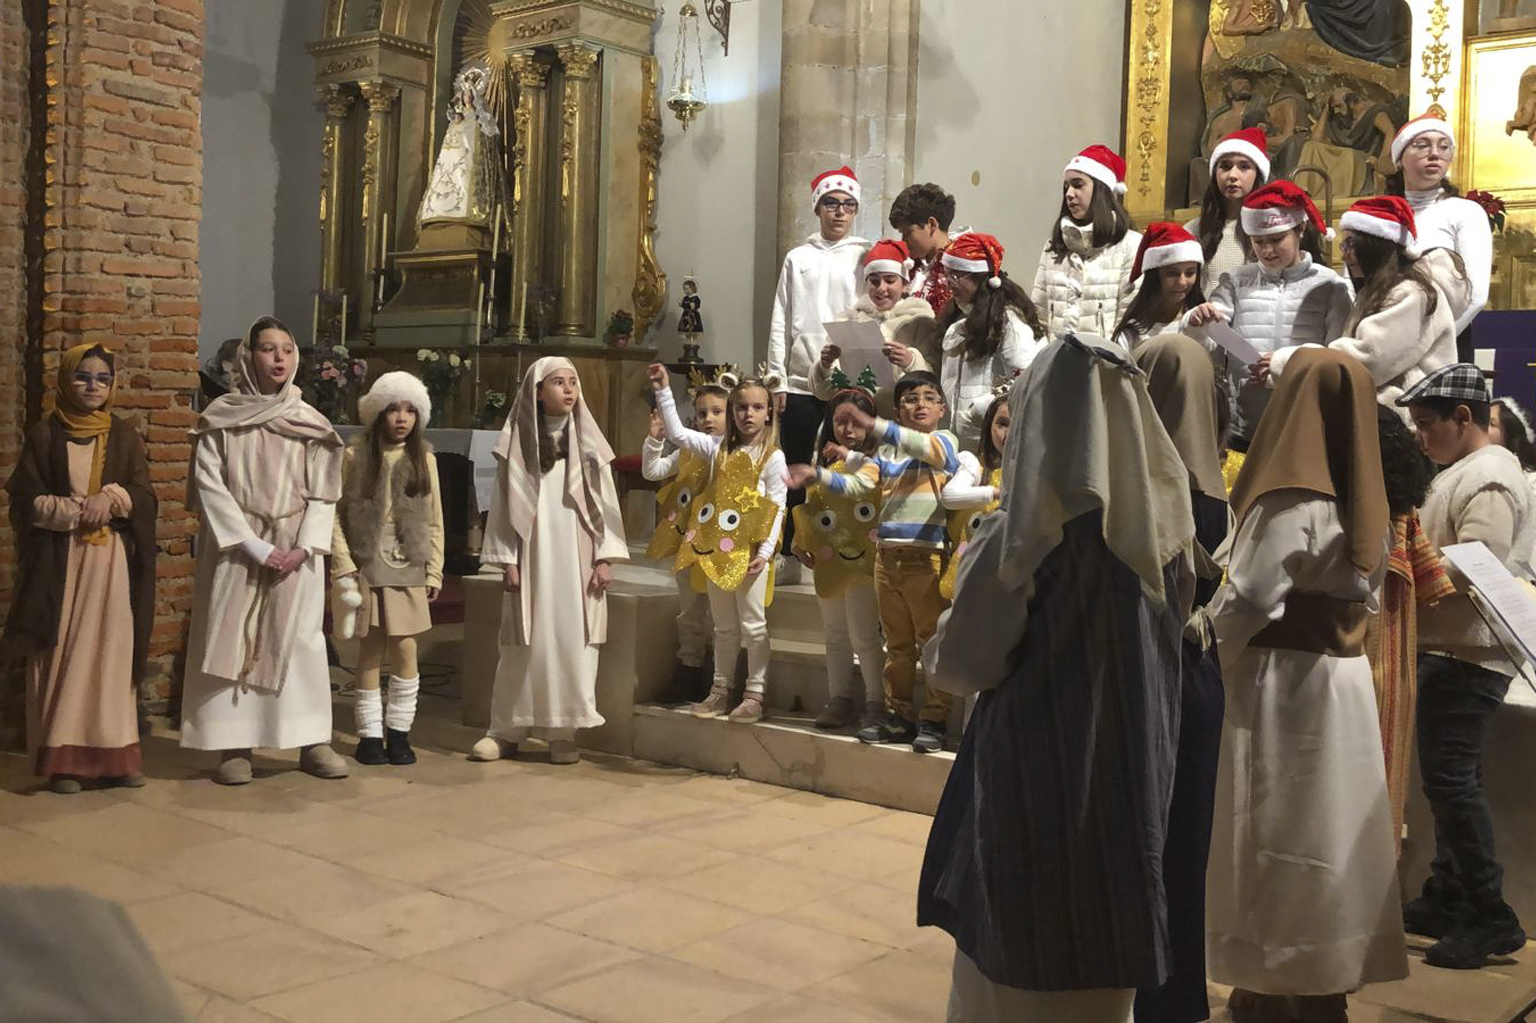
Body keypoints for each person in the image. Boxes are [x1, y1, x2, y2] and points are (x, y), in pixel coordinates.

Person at [918, 334, 1196, 1023]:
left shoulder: (1023, 535)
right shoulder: (1169, 539)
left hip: (1035, 779)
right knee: (1103, 970)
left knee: (1011, 982)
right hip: (1130, 775)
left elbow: (962, 665)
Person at [1205, 348, 1406, 1021]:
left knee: (1275, 834)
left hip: (1281, 684)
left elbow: (1252, 591)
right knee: (1327, 833)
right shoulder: (1364, 487)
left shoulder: (1295, 493)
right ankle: (1322, 978)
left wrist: (1198, 640)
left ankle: (1272, 981)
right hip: (1341, 683)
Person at [1399, 365, 1533, 969]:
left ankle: (1490, 913)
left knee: (1451, 781)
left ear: (1463, 418)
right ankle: (1446, 894)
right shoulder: (1466, 471)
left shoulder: (1492, 475)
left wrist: (1405, 573)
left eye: (1428, 425)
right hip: (1453, 645)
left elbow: (1478, 563)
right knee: (1450, 778)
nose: (1421, 436)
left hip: (1470, 650)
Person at [180, 317, 348, 785]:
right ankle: (233, 745)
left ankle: (311, 739)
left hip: (296, 549)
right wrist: (253, 545)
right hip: (238, 548)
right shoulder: (220, 420)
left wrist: (302, 547)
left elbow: (324, 493)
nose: (279, 359)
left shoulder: (311, 423)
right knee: (232, 635)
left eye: (288, 350)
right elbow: (209, 486)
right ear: (247, 357)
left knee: (299, 642)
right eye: (269, 349)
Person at [0, 344, 157, 794]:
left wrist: (114, 499)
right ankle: (63, 761)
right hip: (61, 565)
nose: (93, 386)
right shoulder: (45, 436)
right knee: (63, 654)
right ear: (67, 381)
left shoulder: (123, 436)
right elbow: (24, 501)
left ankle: (116, 757)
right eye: (83, 377)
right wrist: (73, 511)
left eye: (102, 379)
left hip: (110, 564)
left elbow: (145, 498)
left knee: (109, 656)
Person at [1131, 333, 1230, 1023]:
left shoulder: (1151, 485)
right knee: (1183, 845)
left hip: (1155, 672)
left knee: (1148, 839)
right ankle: (1179, 995)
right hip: (1201, 677)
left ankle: (1147, 989)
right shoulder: (1218, 485)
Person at [788, 370, 961, 754]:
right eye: (910, 399)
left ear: (942, 408)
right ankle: (899, 716)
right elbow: (859, 484)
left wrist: (874, 424)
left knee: (931, 642)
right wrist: (818, 474)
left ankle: (934, 717)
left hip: (925, 558)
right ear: (899, 409)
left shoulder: (943, 441)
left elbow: (930, 452)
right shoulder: (886, 452)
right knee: (898, 646)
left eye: (928, 398)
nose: (919, 405)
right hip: (887, 558)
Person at [473, 357, 628, 766]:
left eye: (573, 382)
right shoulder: (518, 443)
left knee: (571, 640)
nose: (569, 389)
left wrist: (604, 557)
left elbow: (606, 505)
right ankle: (506, 730)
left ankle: (563, 731)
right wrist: (507, 558)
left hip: (577, 559)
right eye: (558, 382)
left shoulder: (590, 445)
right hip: (532, 556)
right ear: (537, 392)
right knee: (523, 641)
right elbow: (505, 506)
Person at [650, 364, 786, 724]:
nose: (748, 414)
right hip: (716, 550)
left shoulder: (772, 457)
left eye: (757, 407)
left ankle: (755, 693)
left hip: (751, 553)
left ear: (769, 410)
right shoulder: (715, 449)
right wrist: (664, 390)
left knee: (753, 625)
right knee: (724, 626)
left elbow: (777, 507)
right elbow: (678, 434)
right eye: (741, 407)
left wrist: (766, 551)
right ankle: (721, 689)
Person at [1184, 180, 1352, 450]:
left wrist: (1284, 367)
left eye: (1276, 240)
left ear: (1300, 229)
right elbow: (1213, 349)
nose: (1267, 251)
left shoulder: (1329, 286)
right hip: (1246, 423)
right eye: (1258, 242)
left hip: (1307, 420)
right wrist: (1196, 325)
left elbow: (1337, 356)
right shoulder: (1237, 281)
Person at [331, 371, 444, 767]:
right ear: (377, 412)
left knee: (407, 646)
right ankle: (369, 735)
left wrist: (434, 570)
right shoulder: (353, 456)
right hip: (368, 563)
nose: (401, 418)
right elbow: (336, 513)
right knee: (370, 648)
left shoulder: (424, 458)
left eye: (410, 410)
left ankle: (399, 732)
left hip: (408, 561)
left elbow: (434, 520)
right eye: (393, 409)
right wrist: (343, 565)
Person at [1269, 195, 1467, 413]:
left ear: (1376, 244)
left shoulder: (1412, 293)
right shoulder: (1373, 292)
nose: (1344, 255)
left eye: (1351, 244)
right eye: (1344, 244)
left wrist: (1292, 361)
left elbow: (1368, 360)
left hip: (1409, 421)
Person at [767, 165, 870, 579]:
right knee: (795, 463)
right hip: (798, 378)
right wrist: (776, 377)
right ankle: (794, 551)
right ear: (818, 208)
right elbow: (781, 318)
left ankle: (840, 548)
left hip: (847, 381)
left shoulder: (864, 255)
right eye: (831, 204)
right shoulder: (798, 257)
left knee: (841, 465)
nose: (840, 213)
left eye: (848, 205)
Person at [1367, 405, 1452, 860]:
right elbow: (1432, 581)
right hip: (1399, 650)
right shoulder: (1405, 505)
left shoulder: (1364, 507)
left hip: (1368, 645)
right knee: (1387, 772)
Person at [792, 386, 885, 731]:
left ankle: (877, 701)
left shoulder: (875, 464)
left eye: (855, 422)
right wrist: (802, 541)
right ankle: (840, 698)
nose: (847, 429)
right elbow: (813, 506)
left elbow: (862, 490)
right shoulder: (824, 460)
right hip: (829, 557)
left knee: (864, 634)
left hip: (861, 559)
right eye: (840, 421)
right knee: (834, 633)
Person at [642, 370, 730, 701]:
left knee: (720, 614)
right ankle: (690, 669)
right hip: (689, 541)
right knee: (690, 608)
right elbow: (653, 471)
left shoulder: (725, 449)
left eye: (717, 412)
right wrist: (654, 441)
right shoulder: (689, 450)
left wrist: (664, 394)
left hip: (722, 543)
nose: (708, 419)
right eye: (703, 413)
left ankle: (722, 678)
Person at [1387, 114, 1493, 361]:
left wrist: (1425, 347)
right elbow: (1356, 286)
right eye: (1422, 145)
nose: (1434, 153)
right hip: (1383, 343)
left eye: (1444, 146)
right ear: (1399, 158)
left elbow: (1475, 294)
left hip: (1445, 346)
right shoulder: (1382, 215)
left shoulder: (1465, 211)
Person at [936, 231, 1046, 446]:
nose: (949, 284)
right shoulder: (959, 320)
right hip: (959, 443)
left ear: (982, 278)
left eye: (956, 276)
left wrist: (977, 411)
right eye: (946, 275)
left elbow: (1027, 380)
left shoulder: (1010, 323)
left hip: (991, 443)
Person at [812, 239, 940, 418]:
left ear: (904, 284)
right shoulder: (849, 320)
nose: (881, 288)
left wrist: (911, 361)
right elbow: (823, 392)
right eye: (874, 281)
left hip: (901, 425)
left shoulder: (920, 320)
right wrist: (824, 365)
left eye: (890, 280)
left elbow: (937, 381)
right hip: (855, 422)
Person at [1031, 145, 1143, 340]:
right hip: (1057, 363)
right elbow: (1038, 315)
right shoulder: (1054, 246)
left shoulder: (1131, 245)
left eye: (1078, 184)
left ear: (1101, 189)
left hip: (1105, 365)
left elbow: (1131, 320)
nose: (1069, 194)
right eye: (1066, 186)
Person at [938, 383, 1011, 601]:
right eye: (1002, 423)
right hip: (970, 574)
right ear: (989, 426)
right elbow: (949, 497)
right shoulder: (974, 466)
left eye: (1021, 422)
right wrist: (997, 493)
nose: (1009, 432)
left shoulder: (1040, 474)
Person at [1187, 127, 1269, 291]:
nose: (1232, 175)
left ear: (1257, 174)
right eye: (1225, 166)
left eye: (1244, 167)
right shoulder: (1194, 229)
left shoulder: (1272, 229)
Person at [1113, 222, 1207, 350]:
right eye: (1172, 273)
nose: (1182, 282)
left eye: (1190, 273)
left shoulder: (1204, 323)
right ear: (1155, 276)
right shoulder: (1133, 333)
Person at [889, 182, 962, 315]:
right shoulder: (909, 266)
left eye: (908, 232)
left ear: (931, 225)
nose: (903, 241)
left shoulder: (961, 271)